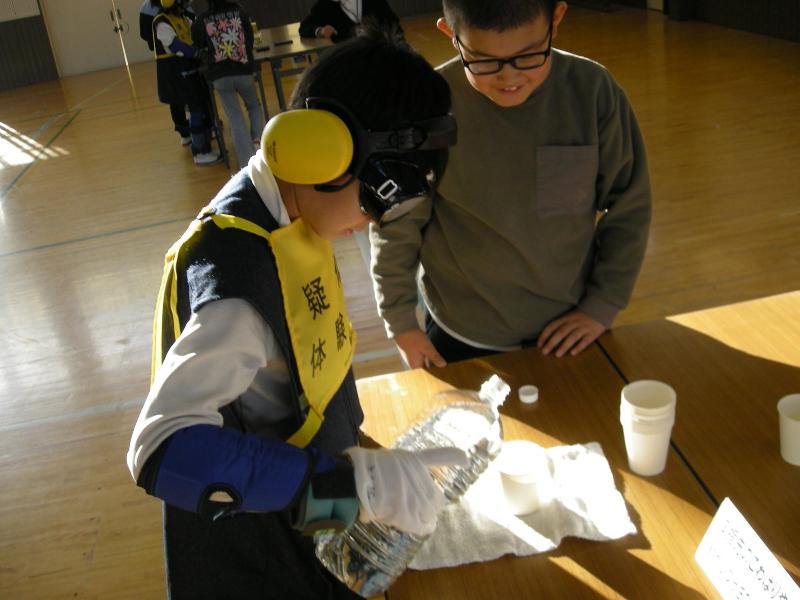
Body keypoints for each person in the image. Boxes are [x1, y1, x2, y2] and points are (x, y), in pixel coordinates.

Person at [127, 26, 461, 599]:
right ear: (320, 152)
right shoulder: (238, 282)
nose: (376, 221)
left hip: (304, 511)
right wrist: (348, 485)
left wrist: (360, 465)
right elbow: (161, 448)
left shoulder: (286, 215)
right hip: (259, 552)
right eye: (378, 196)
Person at [369, 0, 652, 367]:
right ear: (450, 34)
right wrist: (401, 322)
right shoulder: (425, 110)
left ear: (556, 20)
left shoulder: (593, 92)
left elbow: (629, 205)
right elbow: (397, 224)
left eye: (529, 56)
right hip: (461, 330)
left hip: (571, 323)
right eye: (484, 61)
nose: (509, 77)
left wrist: (602, 304)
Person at [192, 0, 265, 170]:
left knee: (235, 118)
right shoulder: (239, 11)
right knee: (254, 105)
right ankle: (257, 141)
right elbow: (250, 39)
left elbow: (198, 44)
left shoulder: (202, 19)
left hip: (220, 75)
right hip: (243, 69)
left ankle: (246, 165)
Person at [150, 0, 220, 165]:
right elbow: (176, 46)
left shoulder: (182, 18)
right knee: (195, 108)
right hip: (175, 72)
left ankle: (206, 145)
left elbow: (193, 35)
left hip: (188, 67)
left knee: (202, 104)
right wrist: (197, 53)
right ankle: (199, 151)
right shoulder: (161, 22)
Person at [140, 0, 191, 146]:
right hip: (169, 60)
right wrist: (159, 44)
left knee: (186, 95)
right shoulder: (152, 11)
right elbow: (145, 34)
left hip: (183, 58)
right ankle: (185, 132)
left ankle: (196, 127)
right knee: (175, 97)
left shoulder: (178, 12)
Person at [299, 0, 401, 43]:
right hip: (348, 60)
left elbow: (393, 22)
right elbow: (304, 26)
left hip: (379, 51)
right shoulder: (325, 4)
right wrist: (320, 31)